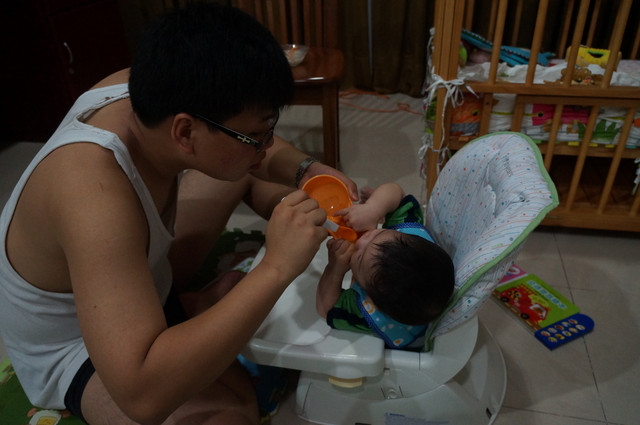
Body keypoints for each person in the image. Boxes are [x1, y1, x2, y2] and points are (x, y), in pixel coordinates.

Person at [0, 4, 357, 425]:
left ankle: (190, 306)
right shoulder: (92, 193)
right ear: (185, 132)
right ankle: (186, 314)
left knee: (240, 169)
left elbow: (249, 145)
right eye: (257, 136)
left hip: (143, 271)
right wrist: (276, 268)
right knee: (231, 413)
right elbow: (141, 396)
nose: (266, 145)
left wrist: (307, 171)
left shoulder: (149, 88)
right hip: (75, 346)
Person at [316, 183, 455, 349]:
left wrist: (335, 268)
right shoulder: (410, 241)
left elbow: (326, 309)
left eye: (359, 258)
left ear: (370, 298)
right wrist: (374, 208)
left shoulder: (370, 313)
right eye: (376, 235)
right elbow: (399, 194)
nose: (360, 241)